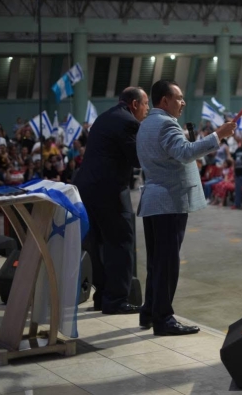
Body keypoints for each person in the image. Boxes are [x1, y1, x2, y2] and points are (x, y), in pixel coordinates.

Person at [137, 80, 236, 336]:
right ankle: (163, 319)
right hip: (169, 200)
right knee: (168, 263)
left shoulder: (146, 123)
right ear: (164, 100)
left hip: (153, 200)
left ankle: (149, 311)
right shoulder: (166, 123)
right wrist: (218, 135)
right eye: (178, 98)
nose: (183, 102)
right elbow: (184, 152)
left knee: (156, 262)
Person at [74, 87, 150, 315]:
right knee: (121, 243)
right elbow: (137, 159)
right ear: (135, 104)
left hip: (87, 189)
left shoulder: (104, 117)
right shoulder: (129, 122)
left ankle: (102, 296)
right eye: (146, 103)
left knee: (97, 244)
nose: (148, 109)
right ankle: (116, 300)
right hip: (109, 191)